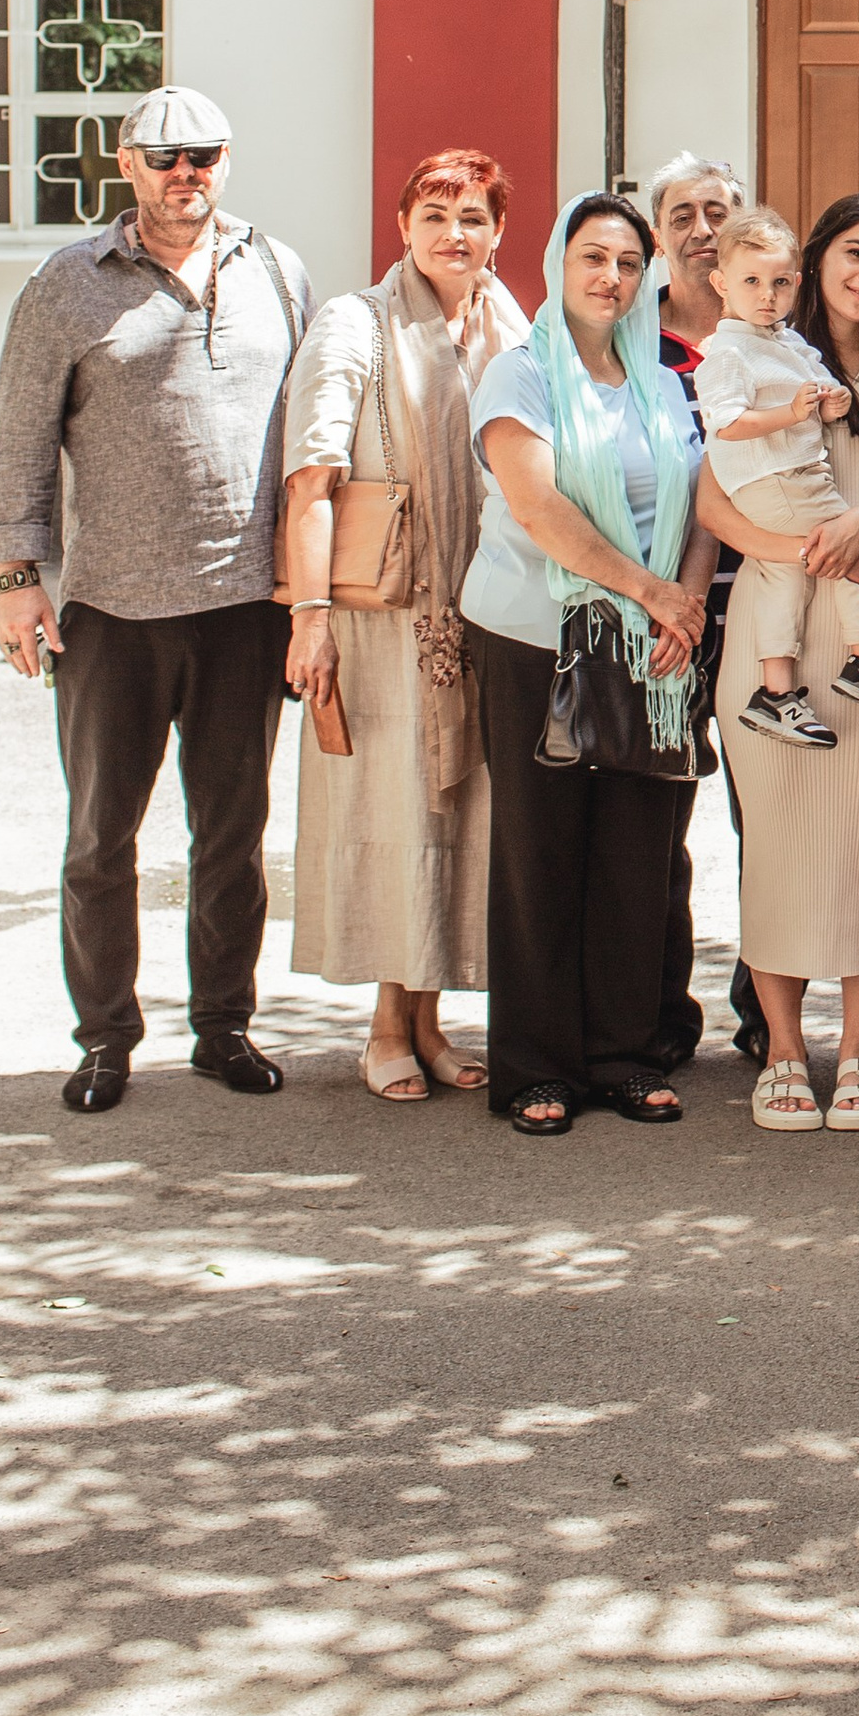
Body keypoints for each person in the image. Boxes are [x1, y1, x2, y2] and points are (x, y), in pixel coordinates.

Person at [0, 84, 311, 1114]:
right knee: (101, 839)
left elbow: (310, 438)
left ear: (225, 161)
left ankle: (224, 1028)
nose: (186, 173)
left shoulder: (277, 271)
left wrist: (311, 598)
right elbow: (18, 440)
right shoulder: (68, 284)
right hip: (113, 613)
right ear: (126, 164)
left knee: (232, 834)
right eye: (164, 157)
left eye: (204, 154)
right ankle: (106, 1039)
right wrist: (17, 578)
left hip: (243, 609)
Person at [463, 195, 712, 1135]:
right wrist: (650, 595)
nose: (609, 275)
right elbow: (538, 510)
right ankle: (536, 1066)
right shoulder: (520, 376)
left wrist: (681, 604)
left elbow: (696, 502)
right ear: (557, 263)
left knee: (637, 855)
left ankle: (624, 1055)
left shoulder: (657, 379)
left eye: (626, 261)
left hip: (654, 651)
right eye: (591, 255)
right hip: (540, 638)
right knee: (542, 851)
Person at [281, 147, 525, 1103]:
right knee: (395, 816)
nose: (453, 233)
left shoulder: (510, 323)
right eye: (434, 213)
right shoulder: (357, 323)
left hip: (481, 613)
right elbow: (312, 474)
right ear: (402, 227)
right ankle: (387, 1024)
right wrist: (308, 617)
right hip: (382, 618)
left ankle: (428, 1022)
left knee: (458, 817)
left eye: (473, 215)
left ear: (500, 231)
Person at [704, 195, 859, 1132]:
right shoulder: (754, 359)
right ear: (817, 260)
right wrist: (792, 549)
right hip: (781, 625)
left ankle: (856, 1051)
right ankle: (782, 1051)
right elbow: (711, 501)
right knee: (777, 840)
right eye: (856, 254)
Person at [701, 206, 859, 738]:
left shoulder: (786, 341)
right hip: (778, 477)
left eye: (778, 283)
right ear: (721, 283)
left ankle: (775, 692)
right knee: (848, 551)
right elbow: (726, 425)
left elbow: (819, 390)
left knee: (786, 575)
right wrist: (792, 414)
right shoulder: (727, 351)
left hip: (783, 478)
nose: (765, 295)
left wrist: (829, 402)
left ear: (796, 283)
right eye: (750, 281)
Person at [644, 152, 750, 1067]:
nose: (701, 227)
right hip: (667, 613)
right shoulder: (629, 333)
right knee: (659, 822)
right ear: (658, 231)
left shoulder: (773, 326)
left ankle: (764, 1015)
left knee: (767, 819)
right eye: (682, 213)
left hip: (761, 609)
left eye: (717, 209)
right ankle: (662, 1016)